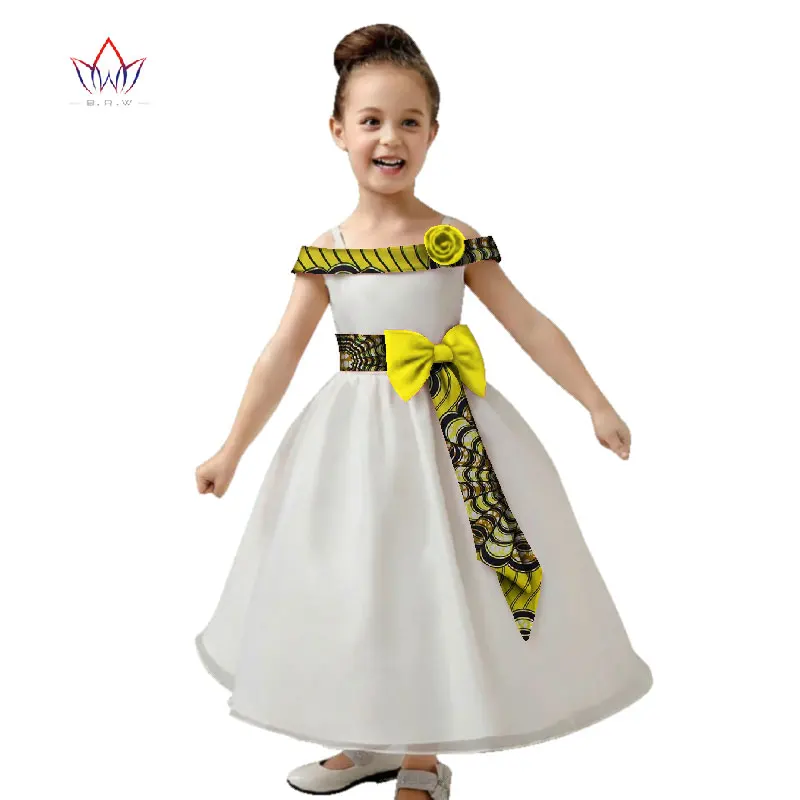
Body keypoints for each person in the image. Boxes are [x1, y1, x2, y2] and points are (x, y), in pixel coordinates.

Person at [194, 22, 653, 800]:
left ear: (434, 132)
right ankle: (368, 736)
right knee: (359, 584)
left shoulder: (454, 240)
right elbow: (280, 353)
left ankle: (421, 754)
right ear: (337, 131)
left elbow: (529, 324)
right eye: (371, 120)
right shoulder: (327, 251)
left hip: (451, 437)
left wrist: (595, 402)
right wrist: (230, 449)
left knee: (437, 580)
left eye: (409, 121)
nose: (390, 138)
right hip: (352, 445)